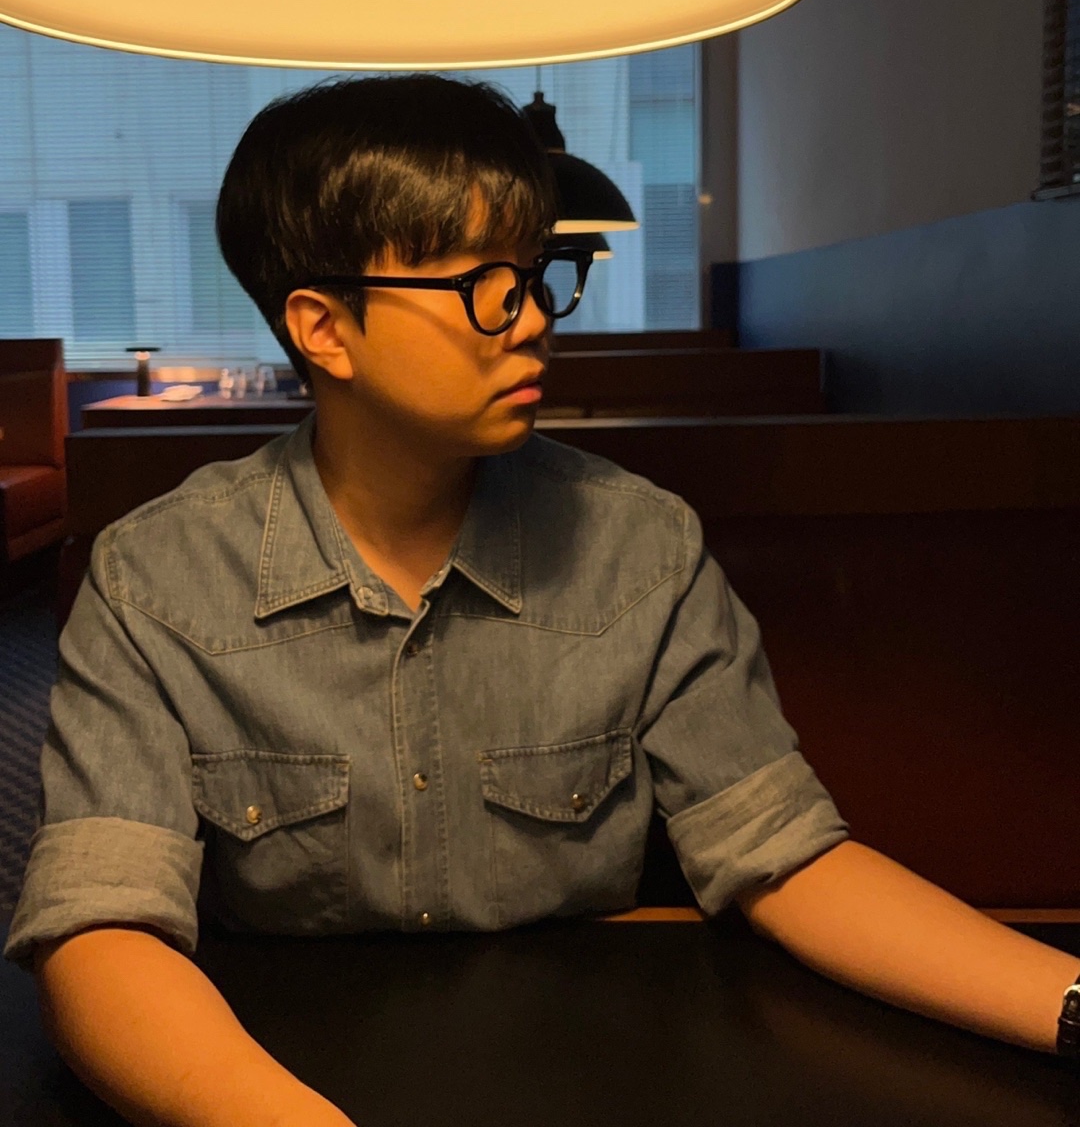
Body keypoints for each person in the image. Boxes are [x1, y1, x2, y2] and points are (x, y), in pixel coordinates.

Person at [3, 75, 1077, 1127]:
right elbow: (101, 927)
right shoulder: (156, 577)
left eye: (535, 276)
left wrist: (1072, 1006)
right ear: (324, 328)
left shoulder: (639, 546)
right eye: (485, 285)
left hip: (599, 1065)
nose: (530, 324)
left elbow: (785, 857)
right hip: (268, 1061)